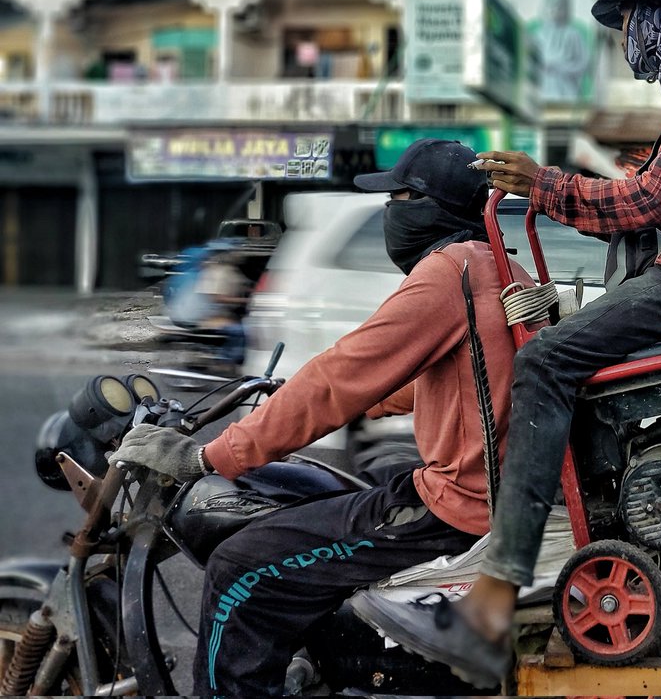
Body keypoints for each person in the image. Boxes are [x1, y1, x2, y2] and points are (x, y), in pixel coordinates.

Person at [375, 0, 661, 687]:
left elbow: (655, 202)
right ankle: (576, 540)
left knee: (545, 360)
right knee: (572, 372)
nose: (623, 38)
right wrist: (589, 184)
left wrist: (546, 183)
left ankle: (496, 595)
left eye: (628, 21)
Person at [110, 139, 530, 698]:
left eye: (398, 198)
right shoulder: (495, 266)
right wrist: (296, 400)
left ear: (430, 207)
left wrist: (207, 455)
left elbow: (339, 376)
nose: (389, 213)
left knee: (241, 566)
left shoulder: (446, 274)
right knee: (331, 499)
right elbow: (445, 385)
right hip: (490, 490)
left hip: (460, 511)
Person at [529, 0, 590, 99]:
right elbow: (530, 64)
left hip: (566, 89)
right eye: (551, 6)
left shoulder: (573, 34)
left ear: (566, 9)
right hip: (542, 90)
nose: (554, 10)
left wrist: (562, 67)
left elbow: (583, 63)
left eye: (559, 6)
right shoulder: (538, 35)